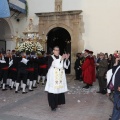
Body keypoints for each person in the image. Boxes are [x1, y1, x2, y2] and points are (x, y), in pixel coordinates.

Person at [45, 46, 70, 111]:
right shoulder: (51, 57)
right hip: (53, 76)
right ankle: (52, 105)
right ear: (53, 51)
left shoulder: (60, 57)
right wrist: (61, 59)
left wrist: (66, 59)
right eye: (56, 50)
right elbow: (55, 64)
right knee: (52, 90)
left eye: (58, 50)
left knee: (58, 90)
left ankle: (57, 103)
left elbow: (65, 66)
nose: (57, 51)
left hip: (60, 77)